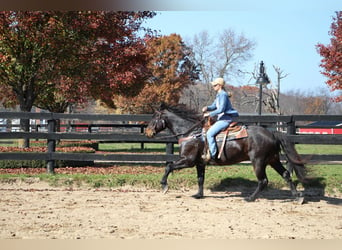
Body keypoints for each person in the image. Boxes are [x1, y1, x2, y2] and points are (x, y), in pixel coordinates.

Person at [202, 77, 239, 162]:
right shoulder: (219, 95)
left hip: (225, 120)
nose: (213, 87)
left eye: (215, 85)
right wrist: (207, 108)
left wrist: (209, 114)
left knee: (210, 133)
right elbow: (214, 106)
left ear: (219, 86)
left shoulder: (223, 95)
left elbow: (221, 109)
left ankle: (212, 155)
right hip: (221, 119)